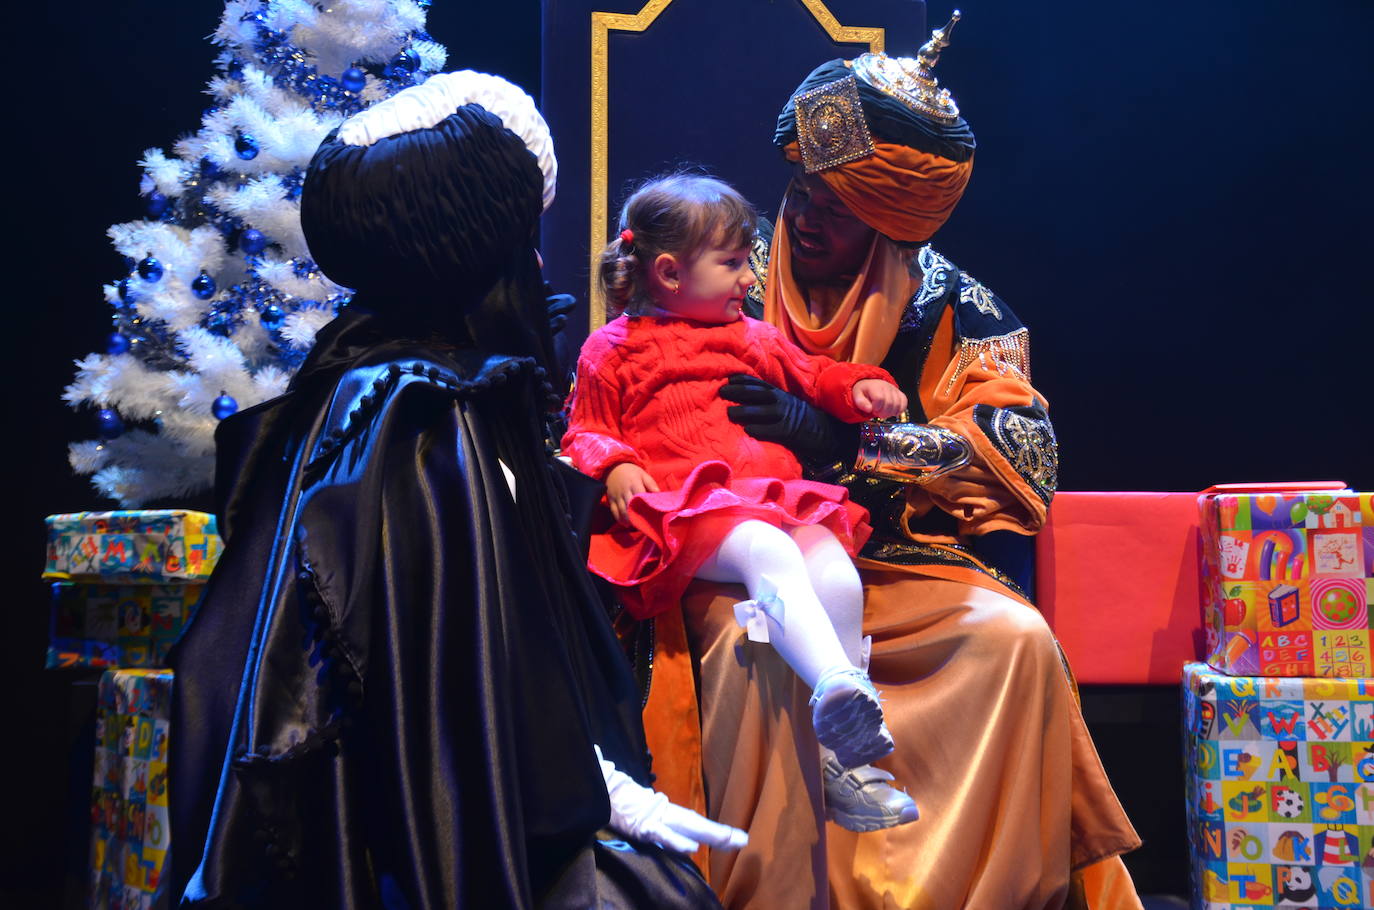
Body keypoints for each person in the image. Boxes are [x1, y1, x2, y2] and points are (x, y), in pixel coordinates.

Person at [168, 71, 743, 909]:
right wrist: (598, 784)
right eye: (525, 239)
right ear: (484, 254)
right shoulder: (427, 415)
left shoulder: (356, 384)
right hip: (431, 842)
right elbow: (449, 672)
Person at [636, 18, 1145, 910]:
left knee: (1013, 642)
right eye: (803, 191)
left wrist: (855, 445)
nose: (805, 219)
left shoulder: (956, 307)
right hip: (741, 547)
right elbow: (637, 384)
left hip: (895, 563)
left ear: (889, 227)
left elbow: (1029, 457)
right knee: (752, 642)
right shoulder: (727, 274)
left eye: (839, 211)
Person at [562, 174, 918, 807]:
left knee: (836, 571)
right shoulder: (609, 349)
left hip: (773, 496)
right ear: (670, 274)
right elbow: (585, 430)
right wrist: (615, 465)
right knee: (762, 548)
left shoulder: (754, 337)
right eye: (731, 264)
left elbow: (816, 376)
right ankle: (832, 681)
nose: (750, 278)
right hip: (686, 512)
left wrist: (860, 386)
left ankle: (845, 762)